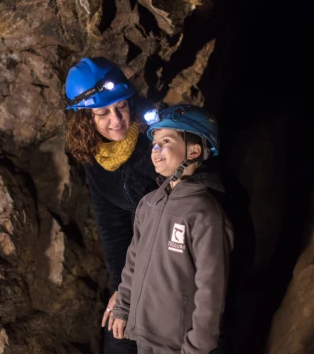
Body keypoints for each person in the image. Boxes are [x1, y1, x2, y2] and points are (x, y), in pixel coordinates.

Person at [111, 104, 234, 354]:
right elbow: (132, 262)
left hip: (178, 344)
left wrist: (197, 347)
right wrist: (123, 307)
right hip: (143, 333)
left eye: (165, 141)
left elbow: (211, 288)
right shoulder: (148, 204)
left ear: (194, 150)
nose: (155, 150)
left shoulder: (204, 213)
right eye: (153, 144)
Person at [65, 57, 158, 353]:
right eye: (102, 113)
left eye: (121, 107)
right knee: (118, 339)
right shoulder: (95, 159)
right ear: (85, 120)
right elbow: (112, 226)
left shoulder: (157, 140)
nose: (116, 120)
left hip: (174, 261)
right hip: (136, 266)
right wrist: (121, 288)